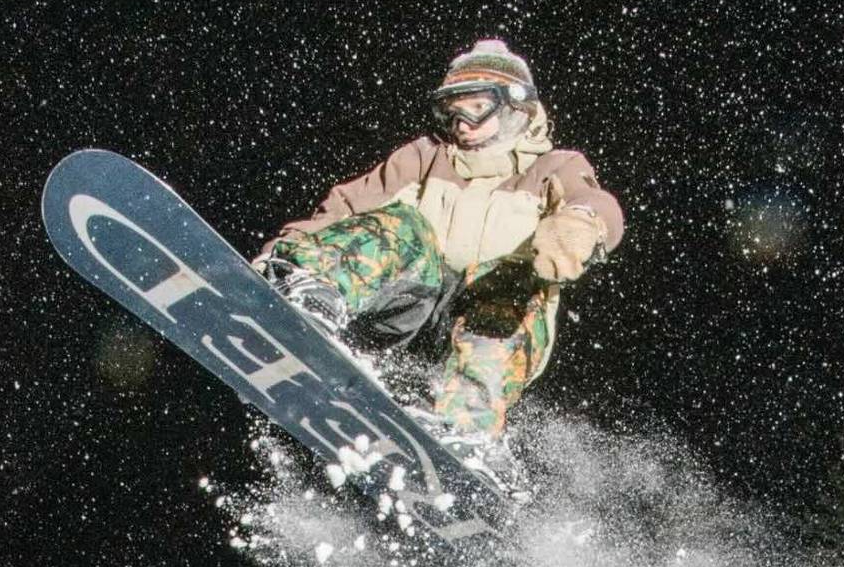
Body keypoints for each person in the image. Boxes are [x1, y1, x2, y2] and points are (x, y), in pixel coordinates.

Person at [254, 38, 624, 498]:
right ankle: (313, 292)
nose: (462, 124)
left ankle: (468, 424)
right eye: (452, 112)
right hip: (408, 310)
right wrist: (287, 252)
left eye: (476, 109)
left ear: (515, 108)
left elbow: (596, 203)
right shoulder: (426, 157)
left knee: (512, 280)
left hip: (485, 327)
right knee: (406, 225)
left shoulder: (553, 166)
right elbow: (348, 206)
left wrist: (580, 225)